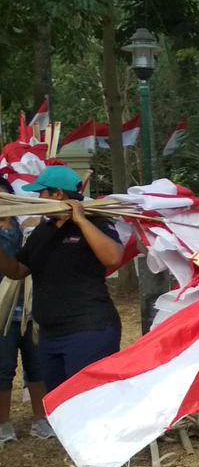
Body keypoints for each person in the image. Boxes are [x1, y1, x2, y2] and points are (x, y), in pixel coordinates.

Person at [0, 166, 122, 414]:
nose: (38, 199)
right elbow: (17, 270)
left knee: (90, 402)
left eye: (42, 193)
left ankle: (104, 451)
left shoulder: (97, 222)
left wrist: (80, 220)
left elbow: (113, 258)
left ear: (57, 195)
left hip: (89, 330)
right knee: (62, 404)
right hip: (50, 335)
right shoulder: (43, 231)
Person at [0, 180, 45, 443]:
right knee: (3, 369)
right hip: (2, 315)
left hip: (31, 309)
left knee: (37, 365)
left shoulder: (28, 228)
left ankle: (42, 419)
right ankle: (3, 424)